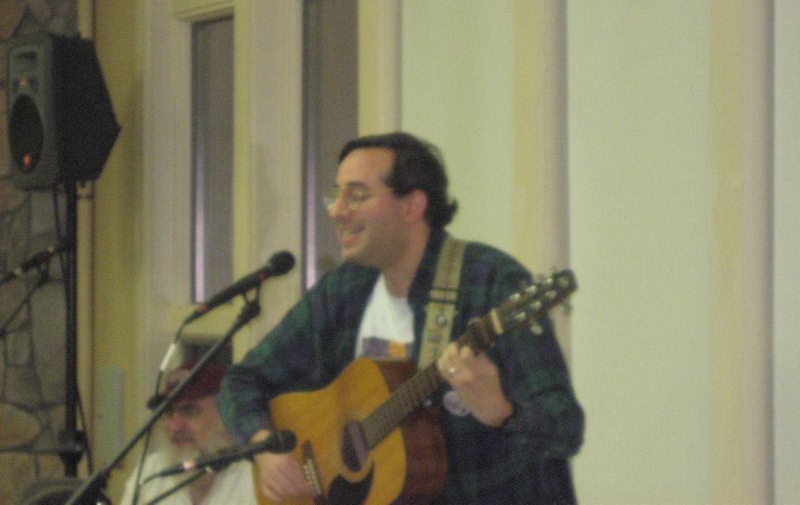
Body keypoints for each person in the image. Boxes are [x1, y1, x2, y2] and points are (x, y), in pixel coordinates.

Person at [217, 132, 584, 504]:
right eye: (336, 195)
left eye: (357, 195)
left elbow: (565, 428)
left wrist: (503, 413)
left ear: (412, 206)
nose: (337, 211)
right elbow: (243, 381)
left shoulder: (490, 282)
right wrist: (264, 446)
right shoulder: (343, 291)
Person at [120, 361, 258, 505]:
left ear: (226, 413)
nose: (174, 426)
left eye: (189, 411)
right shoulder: (149, 474)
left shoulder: (255, 476)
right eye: (168, 412)